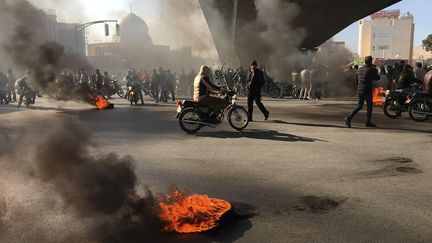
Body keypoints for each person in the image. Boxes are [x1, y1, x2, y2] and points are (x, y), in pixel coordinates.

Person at [345, 56, 380, 128]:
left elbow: (357, 81)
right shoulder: (371, 69)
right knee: (369, 106)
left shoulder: (359, 69)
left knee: (359, 106)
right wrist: (374, 69)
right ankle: (368, 122)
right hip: (367, 90)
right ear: (370, 62)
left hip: (360, 90)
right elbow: (377, 78)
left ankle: (349, 118)